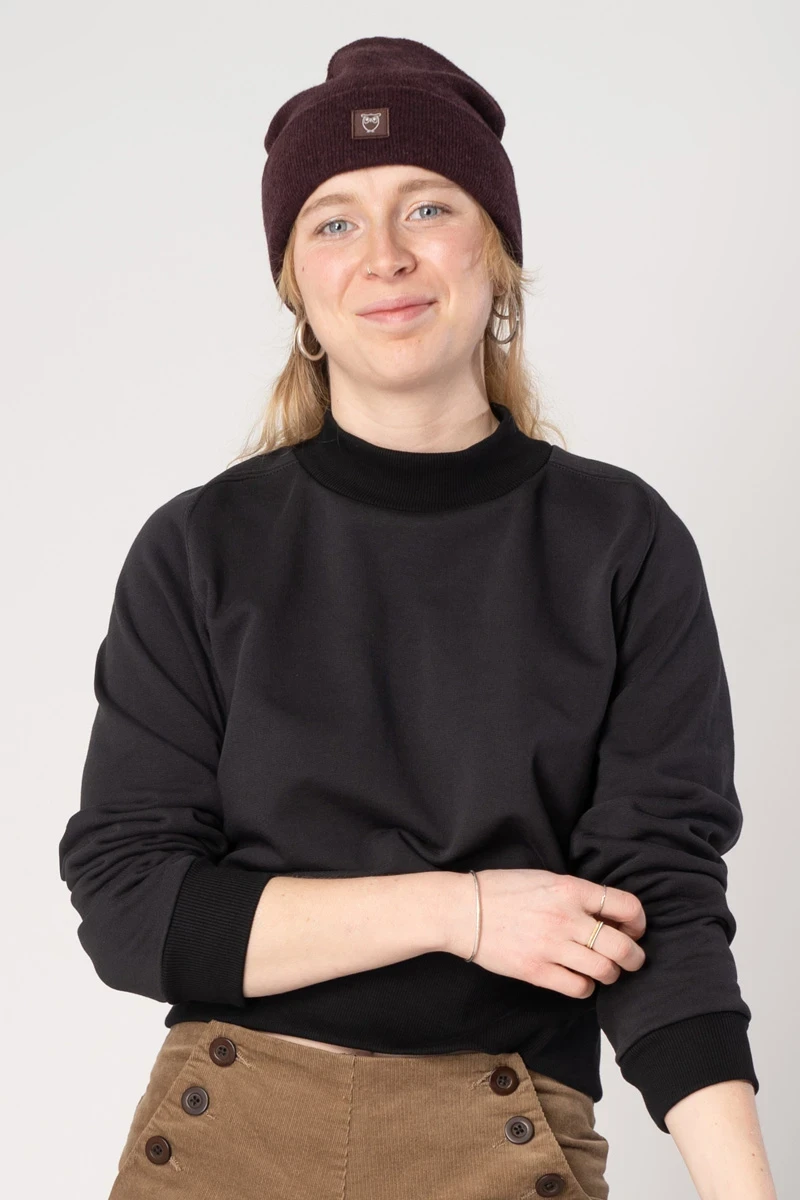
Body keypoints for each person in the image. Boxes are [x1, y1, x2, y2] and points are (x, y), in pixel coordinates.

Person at [58, 35, 774, 1200]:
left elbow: (658, 908)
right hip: (229, 1137)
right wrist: (461, 912)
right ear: (296, 287)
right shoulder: (199, 548)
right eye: (333, 221)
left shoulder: (618, 541)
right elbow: (132, 909)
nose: (383, 255)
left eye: (427, 206)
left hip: (505, 1129)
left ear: (497, 259)